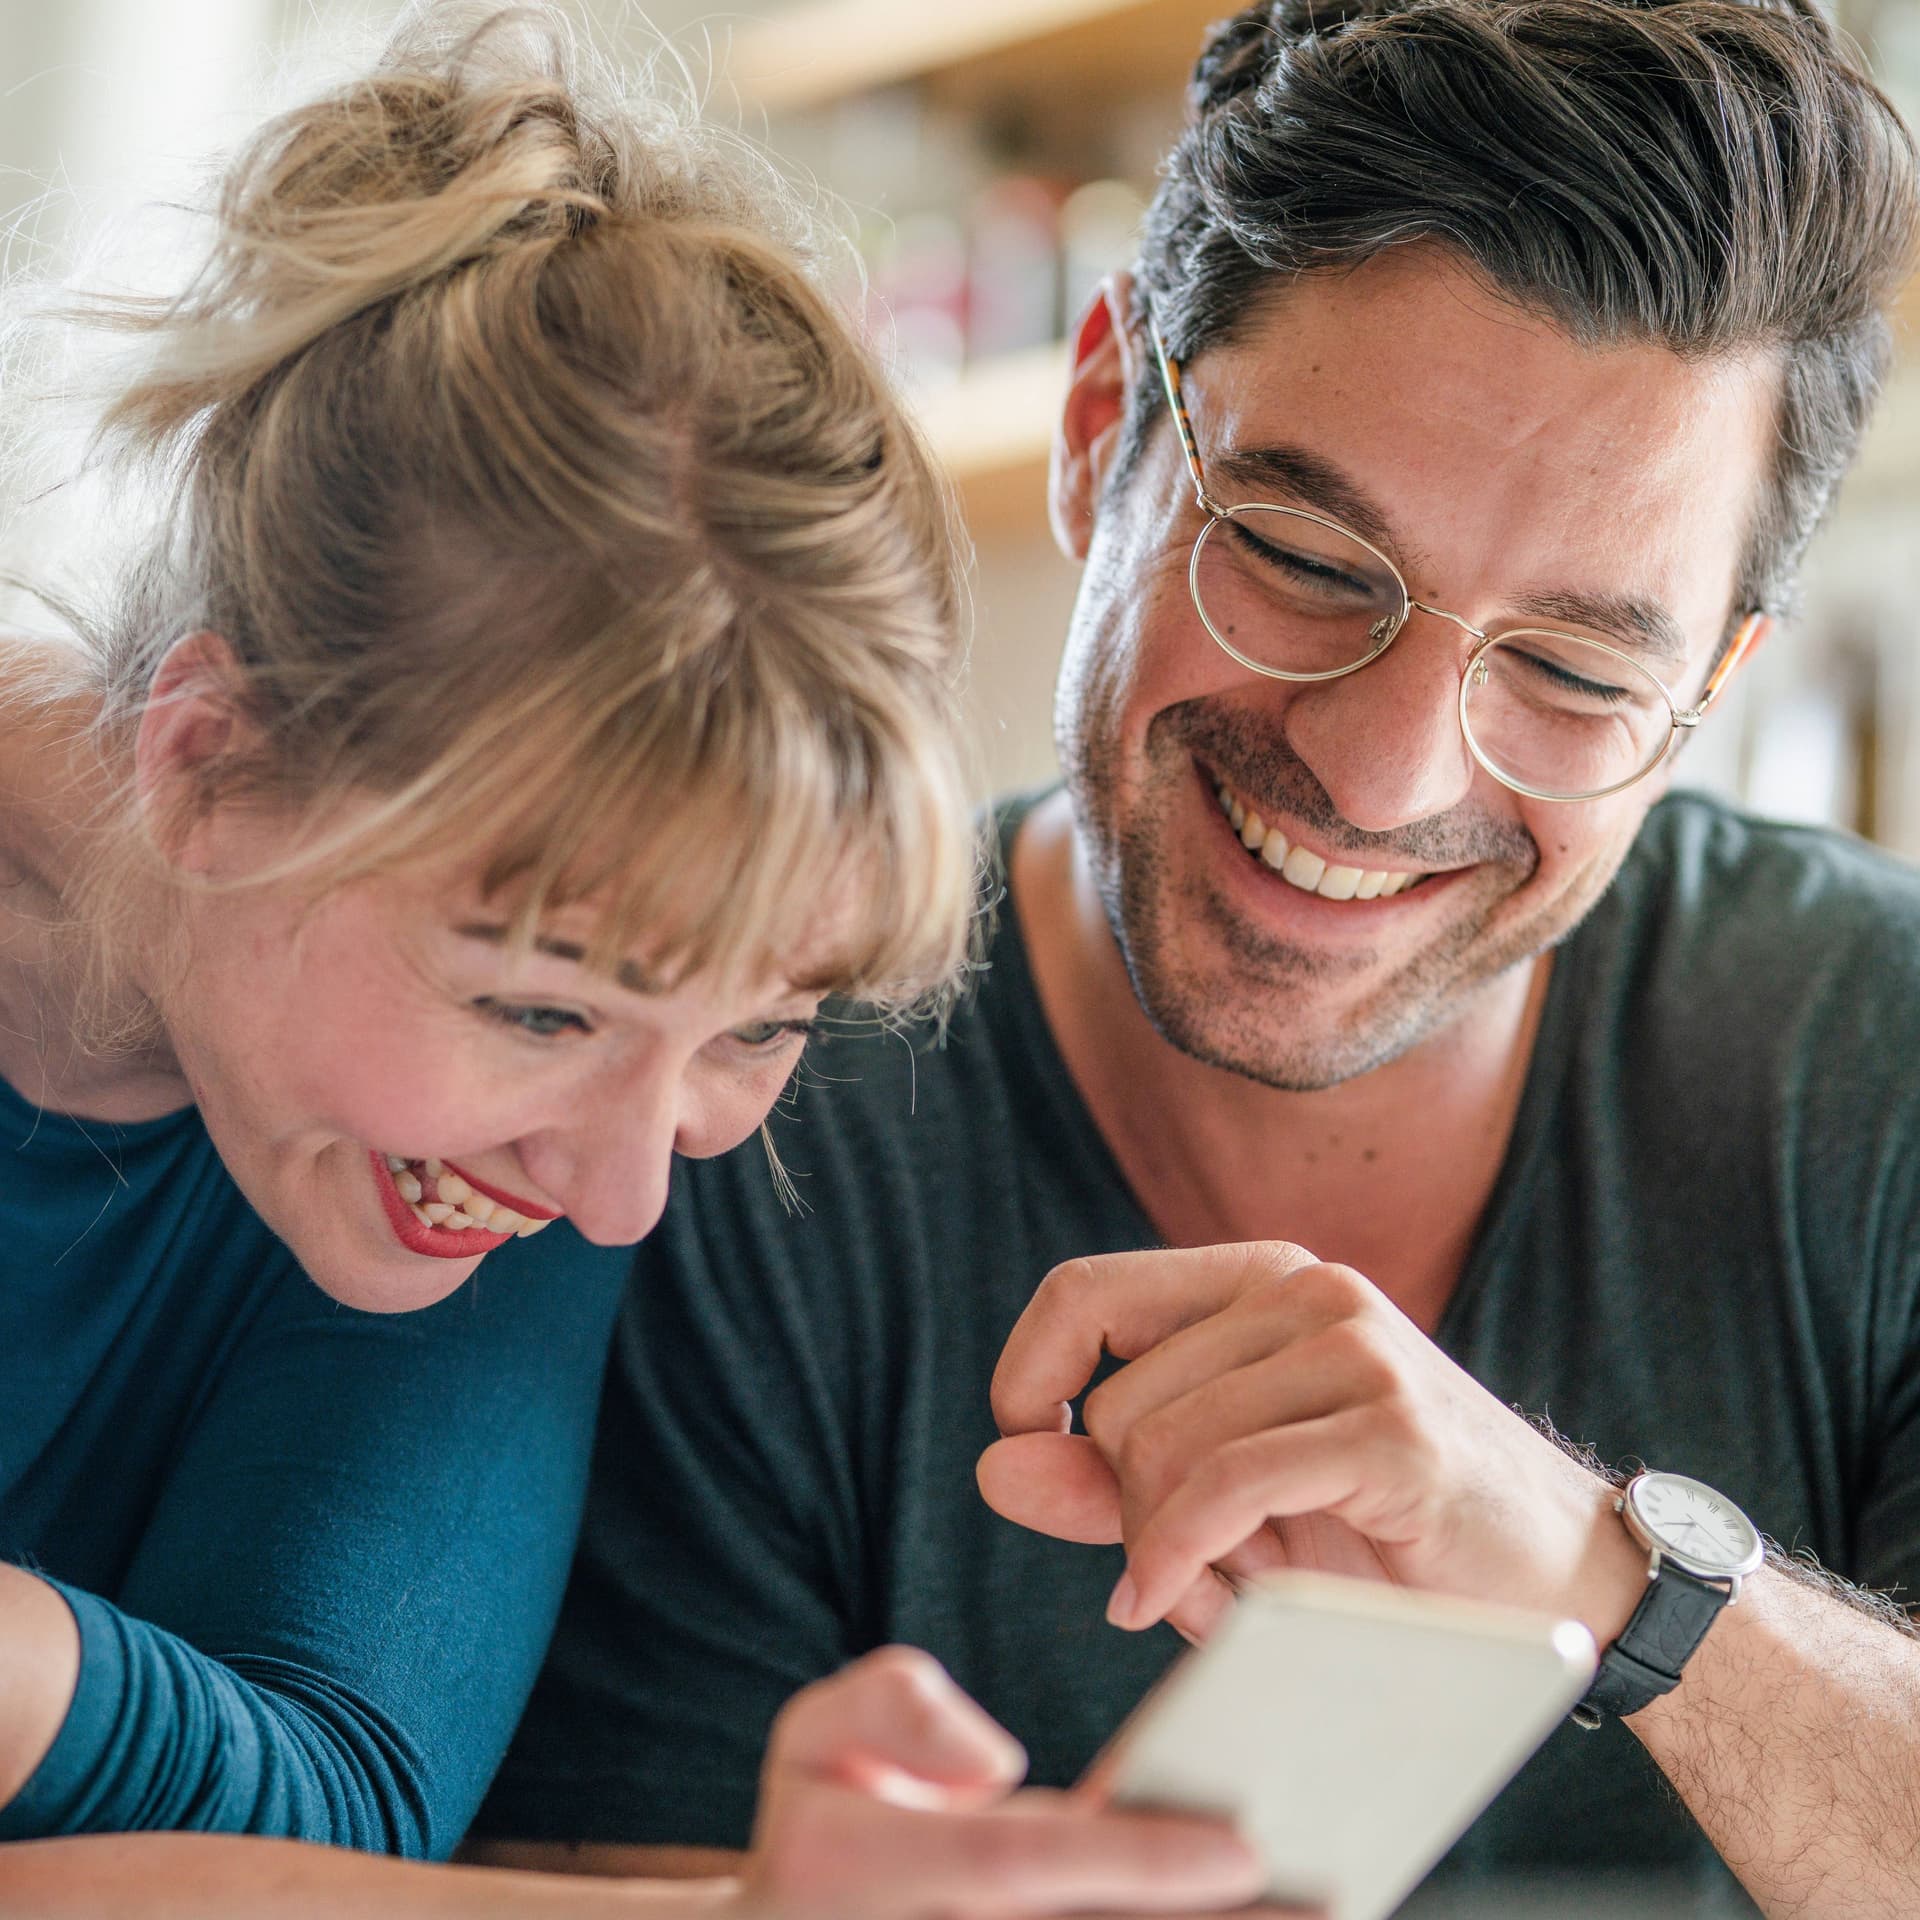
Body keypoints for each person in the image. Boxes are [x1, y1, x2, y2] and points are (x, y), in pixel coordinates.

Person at [473, 0, 1920, 1913]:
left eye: (1574, 675)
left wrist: (1600, 1569)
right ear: (1101, 434)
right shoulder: (727, 1108)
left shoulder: (1874, 1062)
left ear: (1711, 693)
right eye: (1307, 560)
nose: (1382, 772)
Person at [0, 7, 1285, 1915]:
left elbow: (326, 1801)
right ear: (209, 768)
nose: (620, 1193)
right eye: (535, 1004)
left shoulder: (453, 1163)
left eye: (760, 1027)